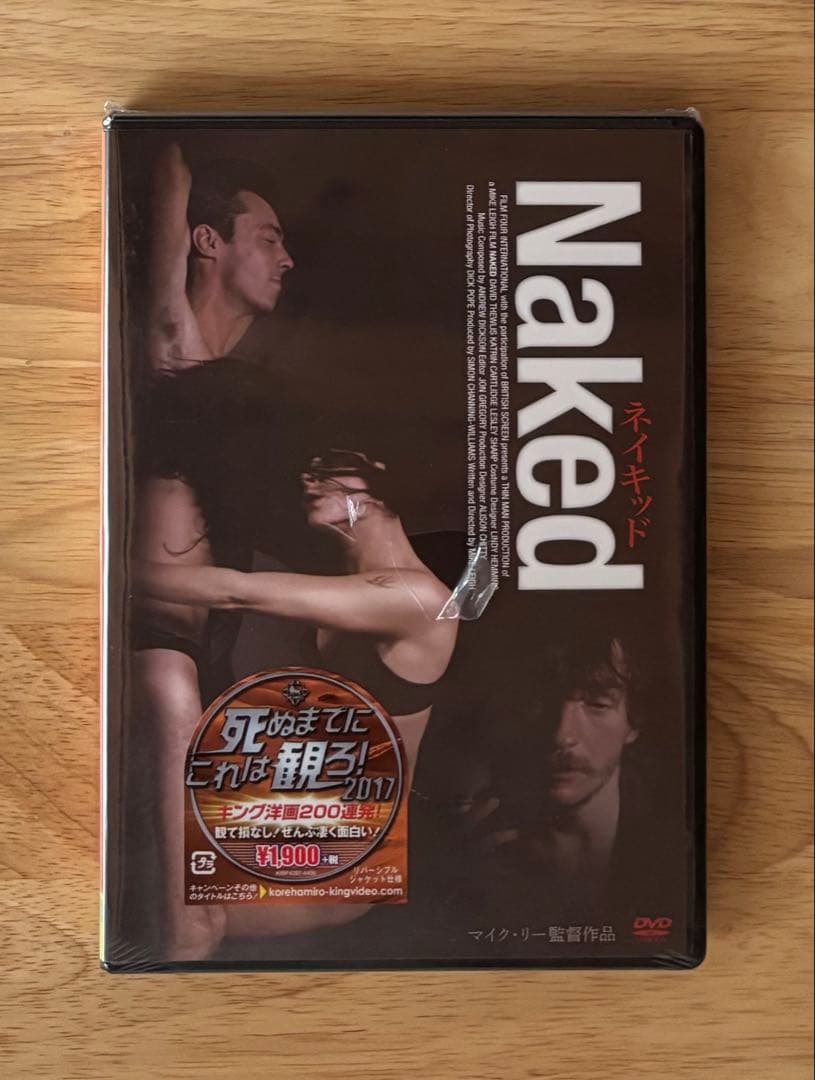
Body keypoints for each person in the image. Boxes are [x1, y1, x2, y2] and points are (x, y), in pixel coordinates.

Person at [135, 449, 459, 956]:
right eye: (306, 469)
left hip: (345, 860)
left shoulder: (422, 598)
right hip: (288, 825)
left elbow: (236, 592)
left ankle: (185, 941)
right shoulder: (335, 589)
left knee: (156, 905)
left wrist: (103, 566)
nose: (310, 478)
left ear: (378, 472)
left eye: (329, 466)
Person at [128, 144, 295, 961]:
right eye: (269, 237)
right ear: (207, 241)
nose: (287, 259)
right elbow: (170, 172)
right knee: (192, 925)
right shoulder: (168, 343)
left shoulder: (237, 383)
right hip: (157, 647)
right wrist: (173, 162)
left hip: (210, 651)